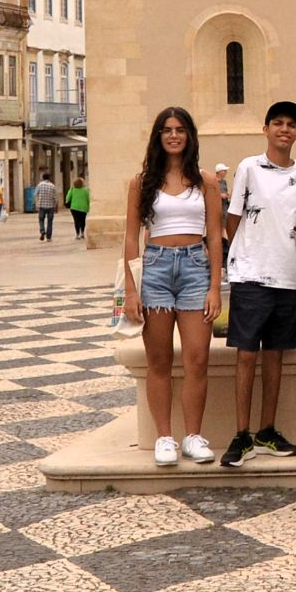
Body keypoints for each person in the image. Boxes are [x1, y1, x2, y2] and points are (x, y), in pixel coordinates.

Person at [120, 107, 224, 467]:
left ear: (190, 135)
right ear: (158, 137)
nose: (174, 136)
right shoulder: (142, 182)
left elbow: (214, 236)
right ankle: (164, 437)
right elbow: (131, 239)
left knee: (197, 357)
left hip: (196, 267)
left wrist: (215, 286)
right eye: (167, 130)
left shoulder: (206, 181)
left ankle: (193, 436)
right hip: (156, 269)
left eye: (180, 129)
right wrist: (132, 291)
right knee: (159, 360)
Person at [218, 101, 296, 468]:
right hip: (251, 274)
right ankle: (241, 434)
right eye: (278, 123)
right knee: (246, 354)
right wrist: (240, 255)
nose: (284, 129)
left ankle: (266, 430)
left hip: (288, 276)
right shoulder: (248, 167)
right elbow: (233, 218)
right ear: (266, 129)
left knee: (275, 356)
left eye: (291, 124)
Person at [34, 171, 60, 241]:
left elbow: (35, 194)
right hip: (50, 206)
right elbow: (56, 198)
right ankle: (49, 237)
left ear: (42, 178)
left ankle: (42, 230)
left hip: (41, 206)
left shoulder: (39, 185)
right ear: (49, 178)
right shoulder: (52, 186)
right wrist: (56, 206)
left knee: (41, 219)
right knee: (50, 221)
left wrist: (36, 204)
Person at [65, 175, 91, 240]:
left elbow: (68, 198)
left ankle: (77, 234)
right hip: (83, 207)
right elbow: (88, 199)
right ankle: (82, 233)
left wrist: (67, 202)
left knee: (76, 221)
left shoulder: (72, 189)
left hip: (74, 208)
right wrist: (88, 207)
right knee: (82, 220)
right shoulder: (85, 190)